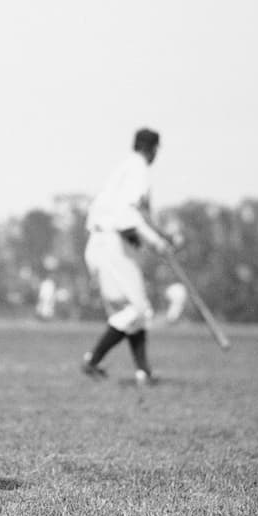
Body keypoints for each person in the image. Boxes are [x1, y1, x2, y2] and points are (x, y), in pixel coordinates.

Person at [80, 128, 173, 386]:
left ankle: (143, 372)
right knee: (137, 309)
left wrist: (155, 238)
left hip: (97, 243)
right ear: (153, 149)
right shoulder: (138, 170)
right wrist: (158, 243)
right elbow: (127, 216)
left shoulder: (120, 170)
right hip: (114, 244)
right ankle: (93, 359)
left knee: (130, 312)